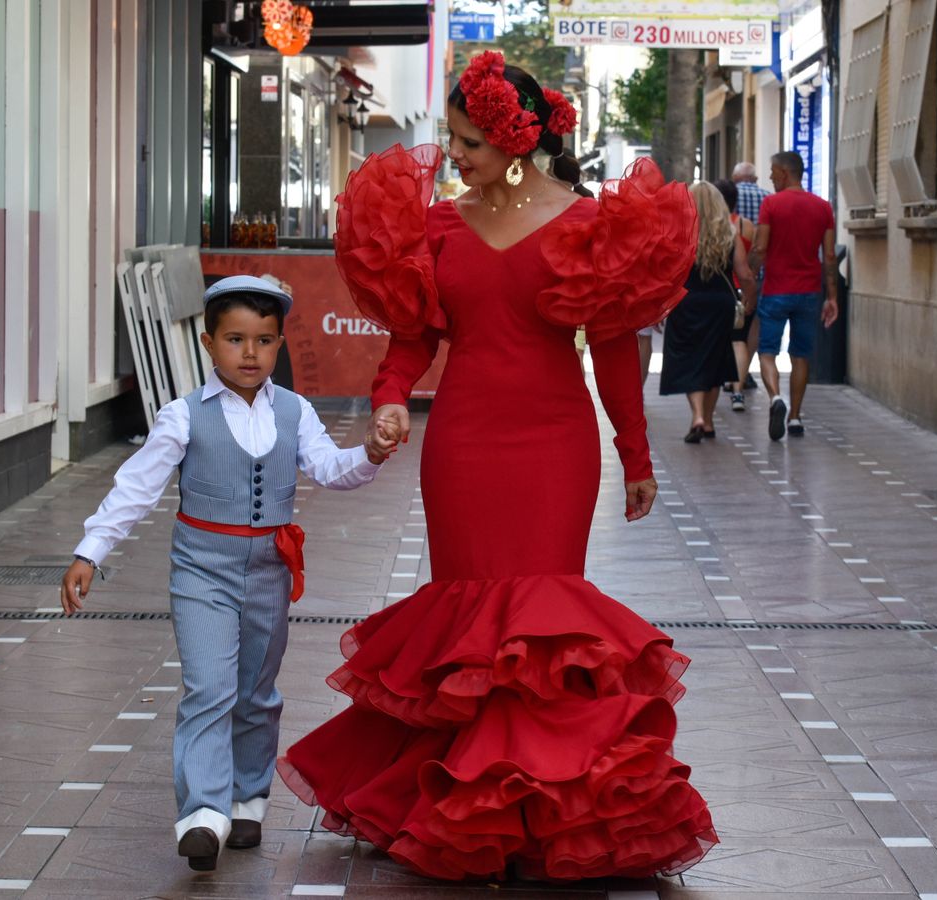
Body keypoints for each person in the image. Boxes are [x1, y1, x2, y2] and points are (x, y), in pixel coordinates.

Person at [277, 51, 717, 881]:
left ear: (516, 141)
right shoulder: (438, 227)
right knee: (471, 630)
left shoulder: (588, 222)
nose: (456, 157)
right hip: (464, 442)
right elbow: (412, 336)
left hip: (554, 439)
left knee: (543, 630)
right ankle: (470, 809)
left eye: (470, 142)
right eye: (452, 140)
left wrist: (636, 453)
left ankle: (545, 811)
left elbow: (616, 348)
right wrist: (389, 399)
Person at [59, 275, 397, 871]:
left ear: (278, 346)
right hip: (201, 568)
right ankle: (203, 815)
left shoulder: (295, 412)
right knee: (208, 688)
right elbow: (135, 488)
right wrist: (92, 549)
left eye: (264, 341)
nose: (250, 353)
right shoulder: (182, 416)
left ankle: (248, 796)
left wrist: (367, 452)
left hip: (269, 567)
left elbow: (330, 467)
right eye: (236, 339)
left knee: (256, 693)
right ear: (210, 344)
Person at [748, 151, 839, 440]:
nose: (771, 178)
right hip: (809, 291)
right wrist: (832, 296)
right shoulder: (823, 207)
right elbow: (830, 255)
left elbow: (760, 248)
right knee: (801, 354)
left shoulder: (772, 204)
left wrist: (749, 278)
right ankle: (796, 417)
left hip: (776, 290)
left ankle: (775, 397)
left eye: (773, 173)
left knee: (767, 351)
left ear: (785, 173)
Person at [659, 182, 749, 442]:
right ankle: (707, 421)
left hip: (685, 303)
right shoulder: (730, 233)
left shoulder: (679, 233)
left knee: (689, 359)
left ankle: (698, 415)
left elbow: (667, 273)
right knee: (715, 360)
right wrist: (750, 298)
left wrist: (659, 306)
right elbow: (743, 273)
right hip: (719, 305)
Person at [715, 179, 759, 411]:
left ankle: (718, 384)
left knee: (717, 342)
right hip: (740, 292)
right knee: (739, 340)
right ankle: (738, 391)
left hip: (718, 291)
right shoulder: (745, 225)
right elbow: (751, 260)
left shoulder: (710, 227)